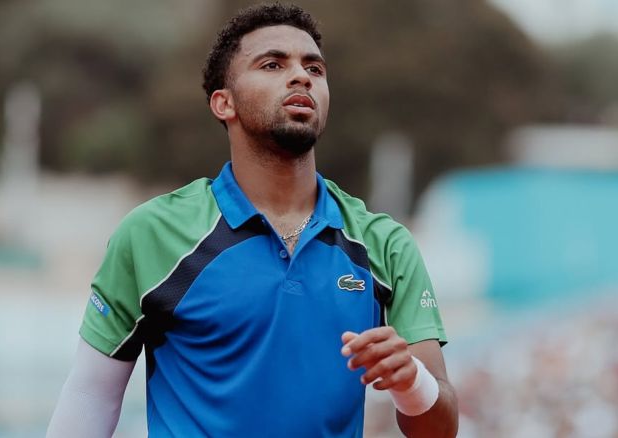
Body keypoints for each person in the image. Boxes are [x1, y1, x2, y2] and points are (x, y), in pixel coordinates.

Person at [47, 4, 458, 437]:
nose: (301, 77)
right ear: (223, 103)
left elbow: (440, 429)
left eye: (314, 68)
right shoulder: (151, 233)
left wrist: (411, 382)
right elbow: (91, 396)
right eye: (273, 64)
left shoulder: (385, 244)